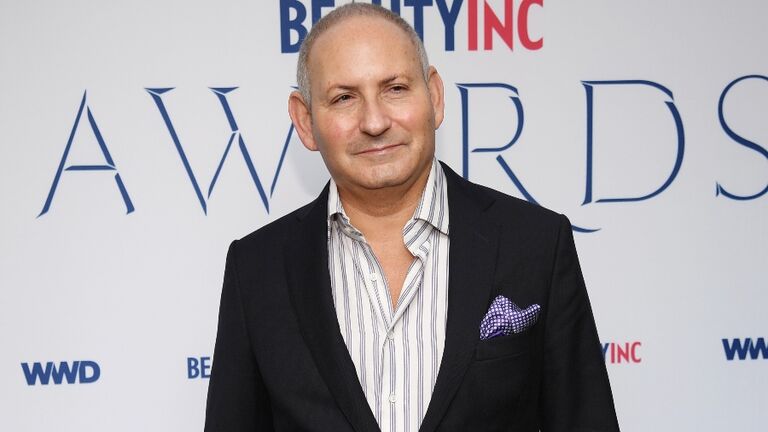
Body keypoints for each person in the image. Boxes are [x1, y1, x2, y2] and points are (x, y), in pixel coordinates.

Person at [204, 3, 619, 432]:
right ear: (305, 121)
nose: (374, 122)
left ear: (434, 96)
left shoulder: (535, 245)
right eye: (344, 98)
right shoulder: (256, 269)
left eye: (396, 89)